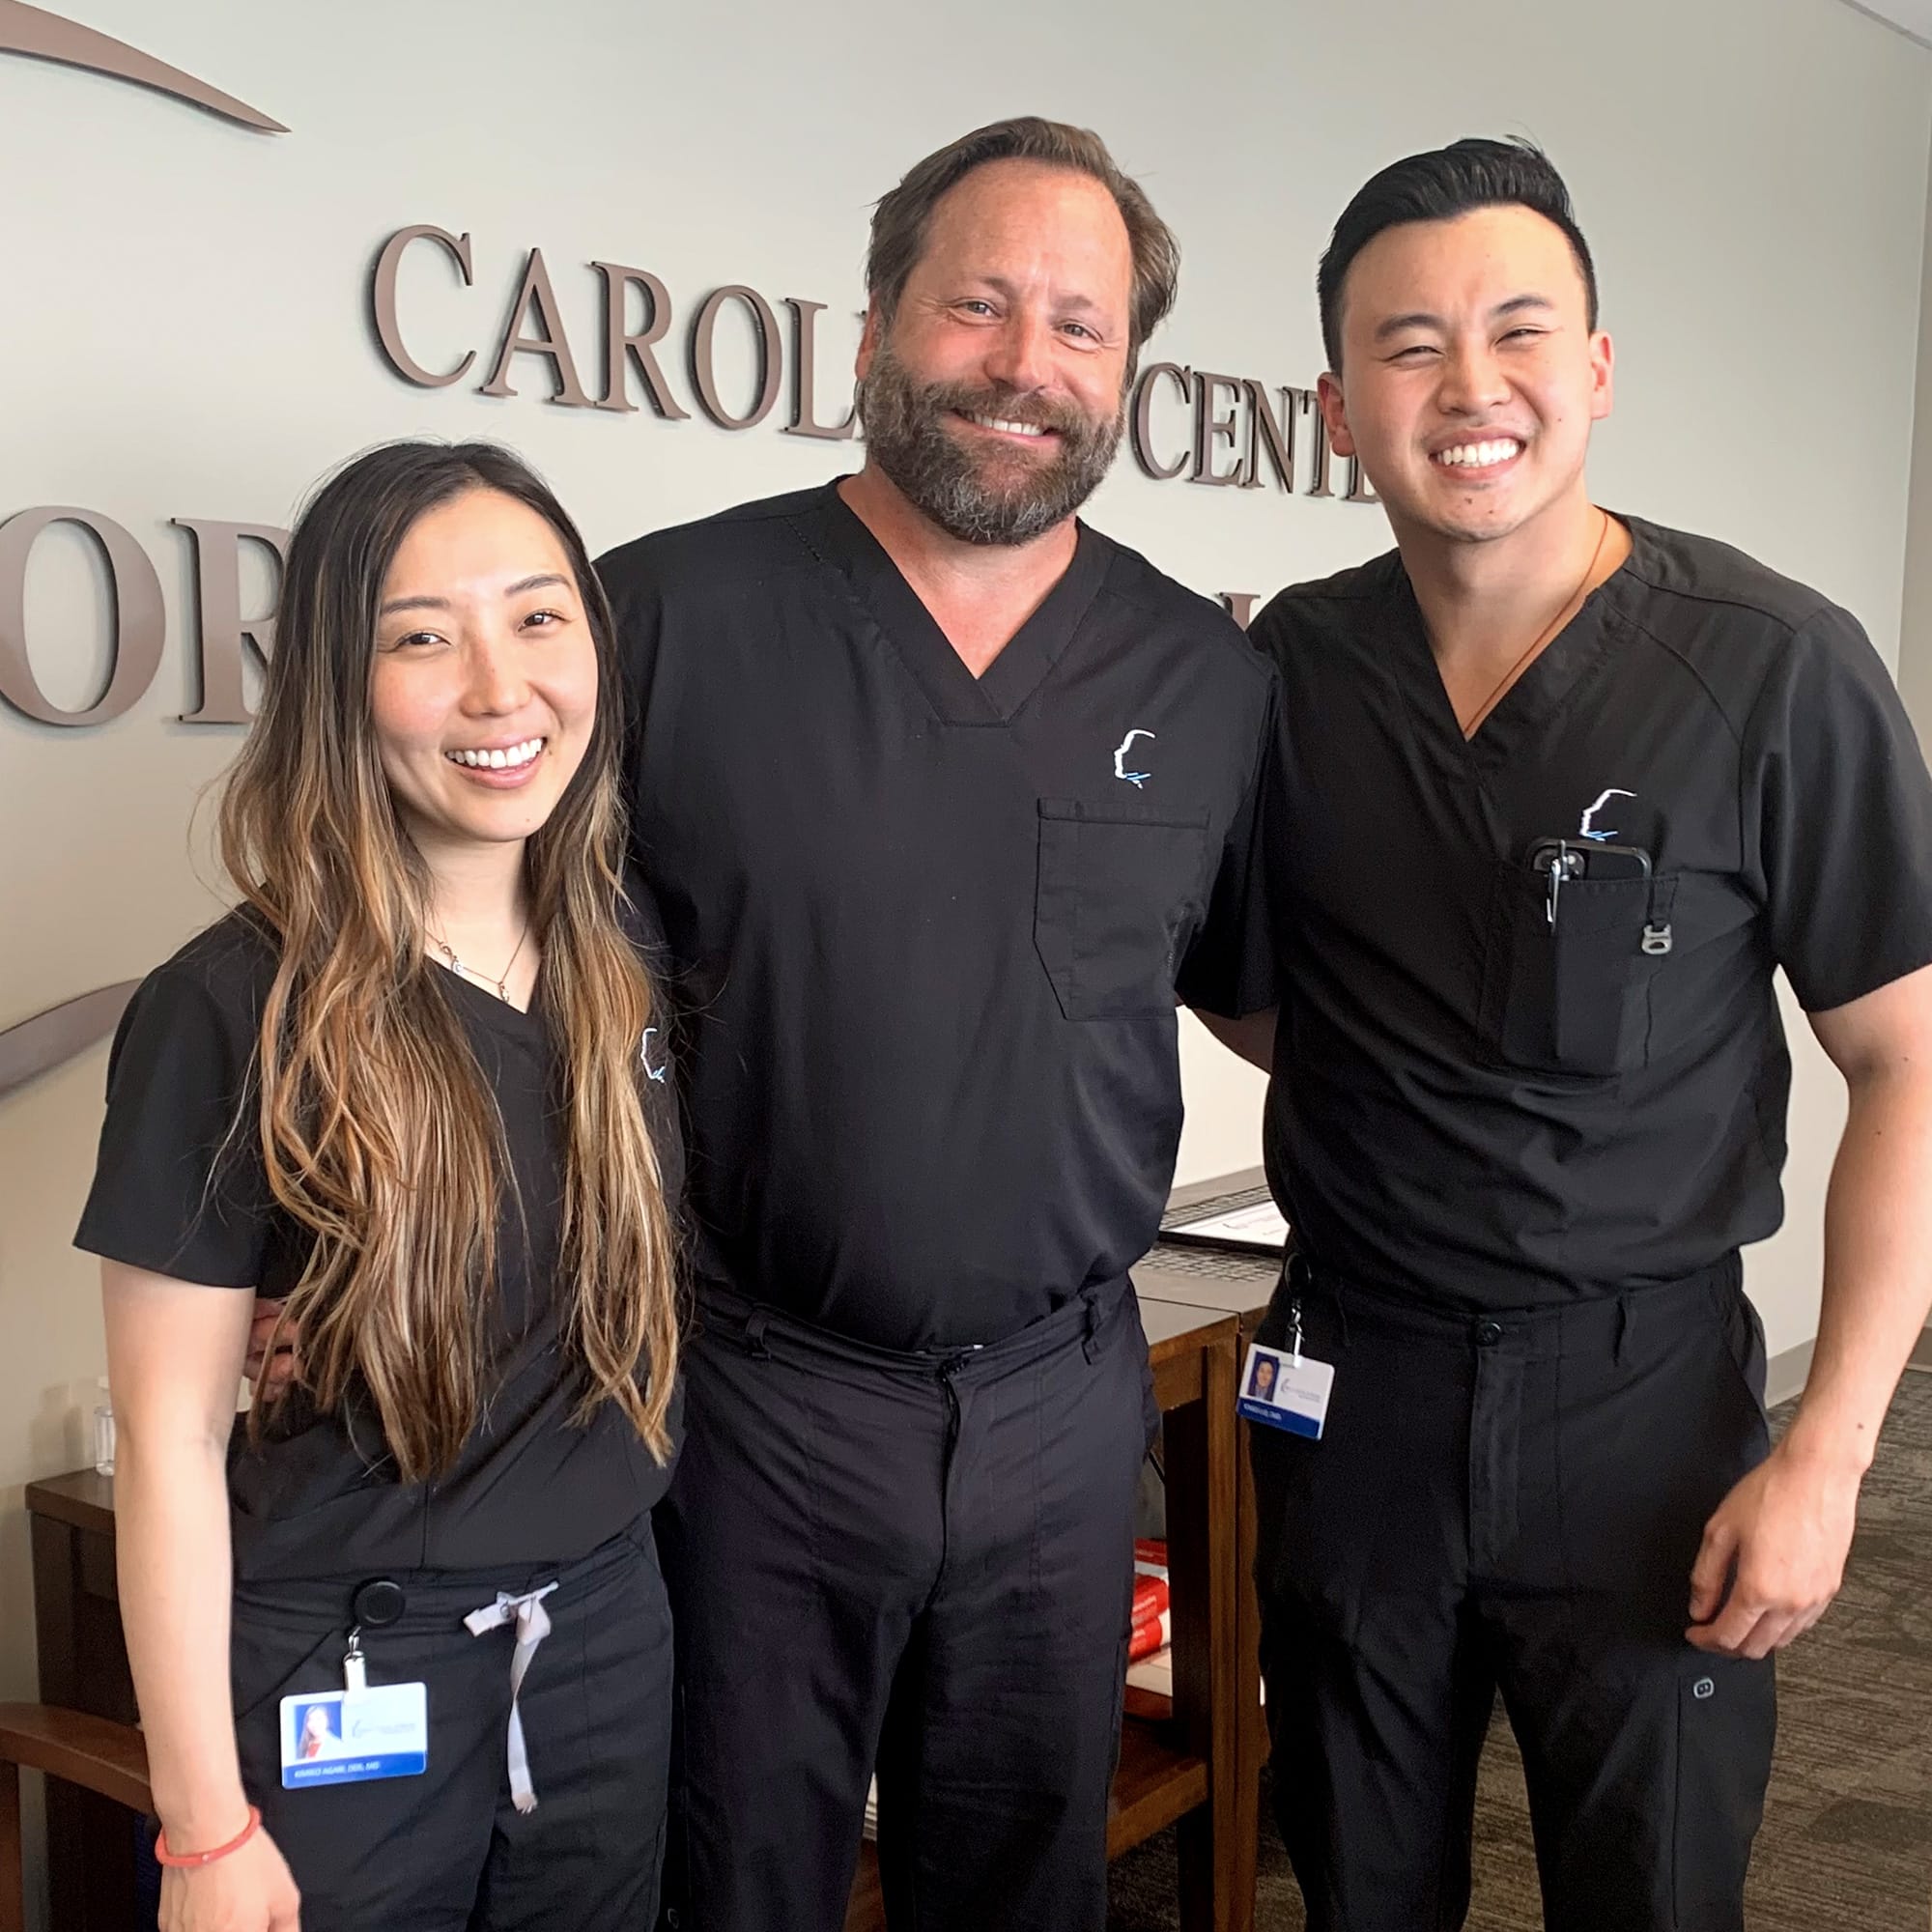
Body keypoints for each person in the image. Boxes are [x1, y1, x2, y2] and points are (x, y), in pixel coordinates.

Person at [1204, 137, 1932, 1930]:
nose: (1471, 389)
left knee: (1650, 1888)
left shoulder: (1770, 664)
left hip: (1645, 1412)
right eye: (1409, 345)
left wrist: (1830, 1450)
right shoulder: (1286, 675)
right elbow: (1252, 989)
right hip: (1348, 1394)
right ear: (1336, 405)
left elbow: (1908, 1057)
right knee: (1361, 1885)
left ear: (1596, 369)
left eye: (1519, 332)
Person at [596, 116, 1275, 1932]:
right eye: (978, 305)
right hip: (755, 1400)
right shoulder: (662, 620)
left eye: (1079, 325)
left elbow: (1288, 1007)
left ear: (1127, 369)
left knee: (1024, 1883)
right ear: (881, 319)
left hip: (1062, 1414)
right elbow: (501, 1003)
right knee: (732, 1879)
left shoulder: (1206, 681)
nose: (1023, 366)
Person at [79, 440, 684, 1932]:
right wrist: (201, 1829)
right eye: (423, 637)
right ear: (339, 683)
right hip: (353, 1669)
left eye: (540, 619)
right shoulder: (232, 1009)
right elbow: (164, 1445)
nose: (500, 687)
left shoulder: (627, 952)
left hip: (608, 1639)